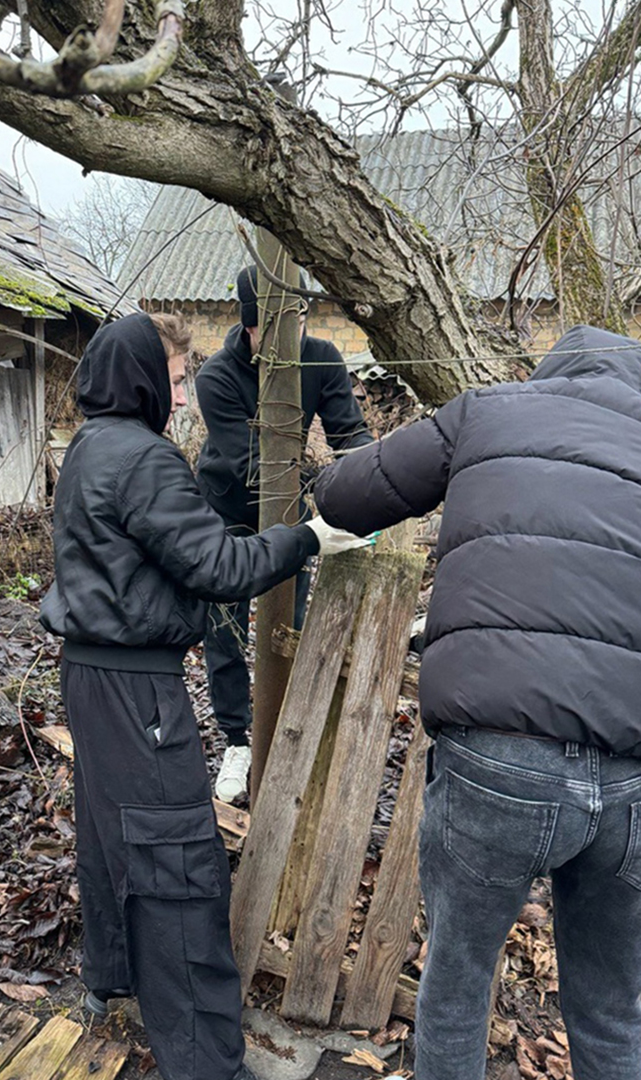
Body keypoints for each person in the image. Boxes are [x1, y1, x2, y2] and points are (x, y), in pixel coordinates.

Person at [40, 311, 363, 1080]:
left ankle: (109, 981)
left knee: (111, 834)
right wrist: (310, 537)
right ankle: (207, 1062)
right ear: (146, 376)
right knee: (176, 861)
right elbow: (216, 567)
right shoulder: (142, 458)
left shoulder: (89, 446)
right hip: (136, 687)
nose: (183, 397)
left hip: (90, 675)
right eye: (177, 378)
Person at [313, 324, 641, 1080]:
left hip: (501, 757)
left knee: (459, 988)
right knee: (614, 1009)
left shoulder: (490, 410)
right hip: (632, 774)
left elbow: (346, 494)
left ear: (548, 372)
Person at [196, 265, 374, 802]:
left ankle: (284, 725)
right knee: (224, 623)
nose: (292, 334)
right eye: (277, 324)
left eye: (298, 319)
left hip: (290, 501)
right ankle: (237, 740)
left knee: (288, 618)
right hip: (228, 505)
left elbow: (350, 433)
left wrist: (373, 479)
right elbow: (251, 462)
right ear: (251, 327)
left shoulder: (321, 358)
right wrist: (316, 490)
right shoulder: (218, 377)